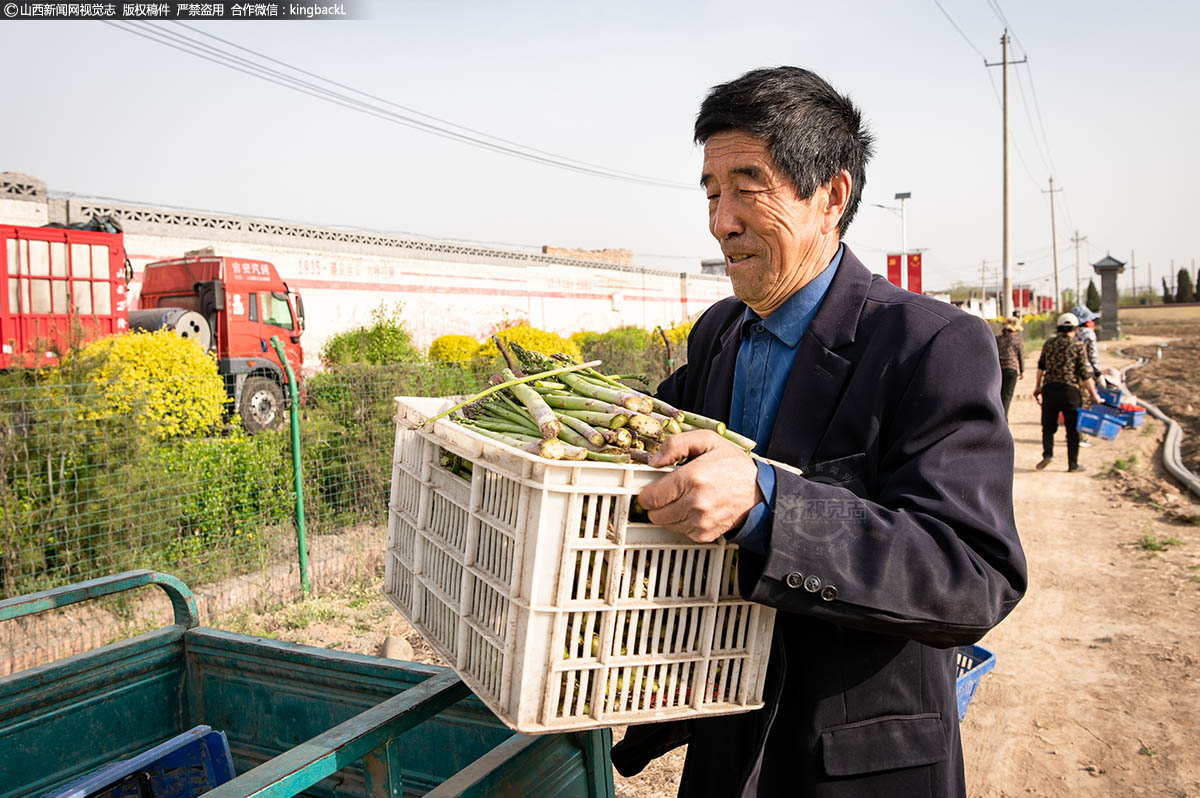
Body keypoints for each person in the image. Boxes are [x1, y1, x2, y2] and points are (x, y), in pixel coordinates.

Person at [611, 66, 1027, 798]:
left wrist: (769, 503)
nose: (721, 220)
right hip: (725, 739)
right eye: (711, 193)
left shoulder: (931, 344)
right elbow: (651, 435)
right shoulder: (718, 334)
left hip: (856, 764)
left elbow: (972, 576)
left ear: (831, 196)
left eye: (749, 186)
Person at [1033, 312, 1103, 472]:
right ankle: (1073, 464)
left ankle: (1048, 454)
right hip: (1070, 391)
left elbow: (1041, 367)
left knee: (1048, 426)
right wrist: (1093, 394)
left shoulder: (1049, 344)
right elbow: (1084, 374)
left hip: (1049, 389)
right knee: (1072, 430)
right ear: (1075, 328)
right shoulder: (1078, 346)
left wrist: (1038, 386)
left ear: (1058, 328)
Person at [996, 316, 1024, 417]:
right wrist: (1022, 371)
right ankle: (1004, 418)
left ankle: (999, 417)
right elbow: (1021, 356)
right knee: (1007, 396)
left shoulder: (997, 339)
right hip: (1012, 369)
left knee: (998, 395)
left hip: (998, 370)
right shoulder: (1017, 341)